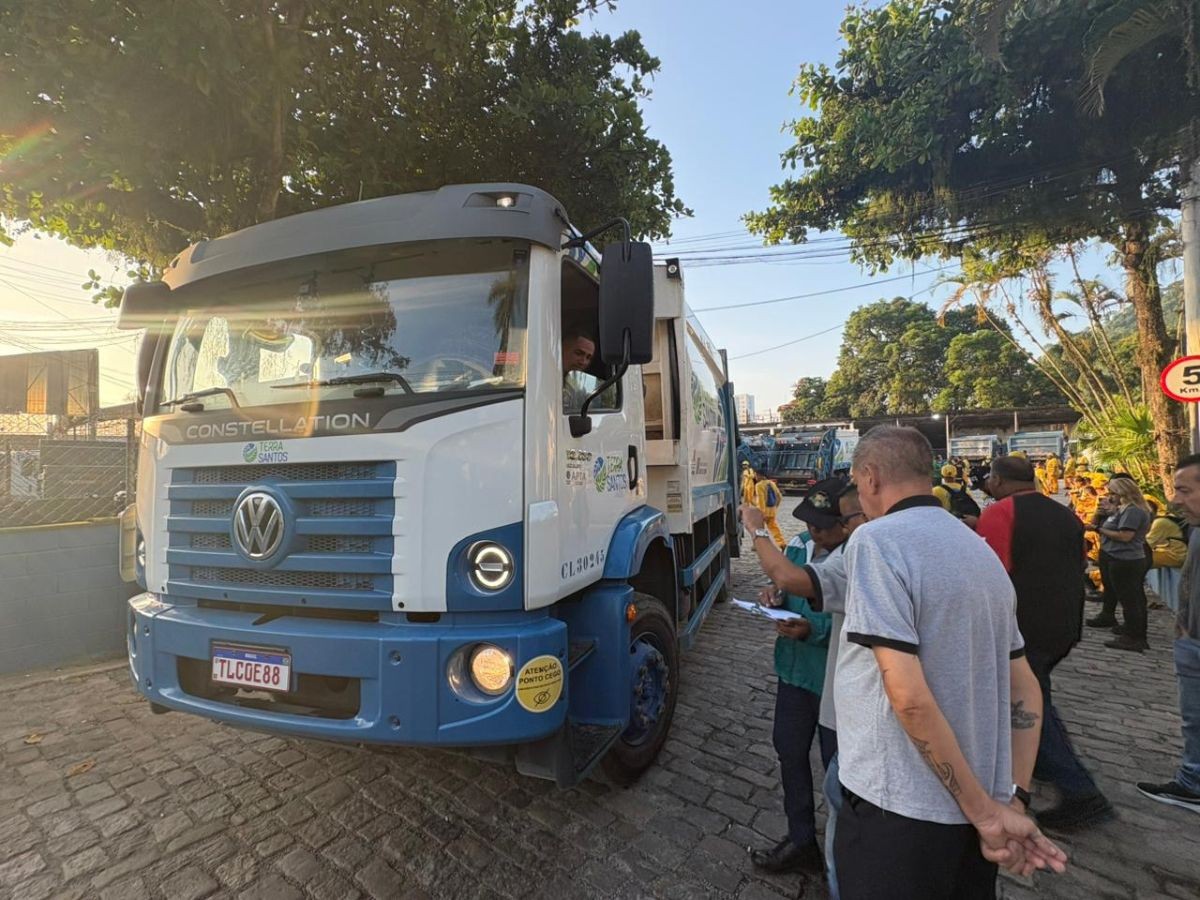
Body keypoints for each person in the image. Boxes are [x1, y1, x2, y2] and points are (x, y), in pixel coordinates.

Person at [833, 426, 1067, 899]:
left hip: (897, 808)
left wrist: (986, 814)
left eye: (858, 485)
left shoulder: (876, 541)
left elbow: (907, 696)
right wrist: (1012, 800)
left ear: (870, 477)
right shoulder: (976, 548)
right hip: (976, 809)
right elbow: (1024, 687)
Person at [976, 457, 1113, 829]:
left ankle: (1080, 790)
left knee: (1027, 707)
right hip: (1063, 623)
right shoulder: (1065, 514)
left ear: (999, 480)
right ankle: (1035, 764)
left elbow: (989, 575)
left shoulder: (1001, 513)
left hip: (1023, 628)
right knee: (1036, 696)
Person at [740, 479, 848, 875]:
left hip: (833, 682)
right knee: (789, 751)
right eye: (810, 522)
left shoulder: (855, 555)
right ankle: (801, 837)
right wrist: (775, 594)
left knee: (839, 770)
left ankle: (844, 855)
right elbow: (783, 580)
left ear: (846, 523)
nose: (813, 531)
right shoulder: (801, 544)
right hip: (795, 674)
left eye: (823, 525)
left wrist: (812, 630)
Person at [1136, 454, 1200, 813]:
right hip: (1191, 640)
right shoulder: (1195, 528)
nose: (1176, 500)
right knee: (1194, 721)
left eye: (1184, 490)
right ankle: (1192, 781)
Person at [1085, 477, 1153, 651]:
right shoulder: (1122, 509)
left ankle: (1135, 636)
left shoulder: (1133, 511)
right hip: (1115, 556)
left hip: (1126, 559)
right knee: (1124, 595)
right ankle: (1130, 629)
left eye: (1113, 493)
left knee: (1130, 599)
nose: (1110, 496)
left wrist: (1098, 530)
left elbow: (1125, 536)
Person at [561, 329, 595, 412]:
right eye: (579, 353)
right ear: (562, 349)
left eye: (588, 357)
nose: (583, 362)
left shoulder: (578, 389)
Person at [753, 473, 786, 548]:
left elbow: (761, 500)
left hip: (763, 512)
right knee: (774, 528)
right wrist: (775, 507)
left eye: (756, 475)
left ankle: (758, 545)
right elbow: (779, 496)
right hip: (772, 511)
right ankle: (781, 543)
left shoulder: (759, 485)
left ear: (760, 475)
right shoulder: (772, 483)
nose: (755, 477)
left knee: (759, 528)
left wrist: (761, 513)